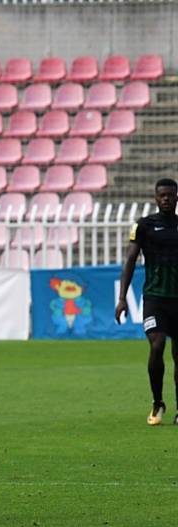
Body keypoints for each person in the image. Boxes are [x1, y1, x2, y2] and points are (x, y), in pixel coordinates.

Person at [116, 178, 178, 425]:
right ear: (155, 198)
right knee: (157, 344)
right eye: (162, 195)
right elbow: (130, 259)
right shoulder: (144, 226)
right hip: (154, 297)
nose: (166, 199)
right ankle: (157, 402)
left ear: (176, 198)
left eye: (170, 195)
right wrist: (122, 298)